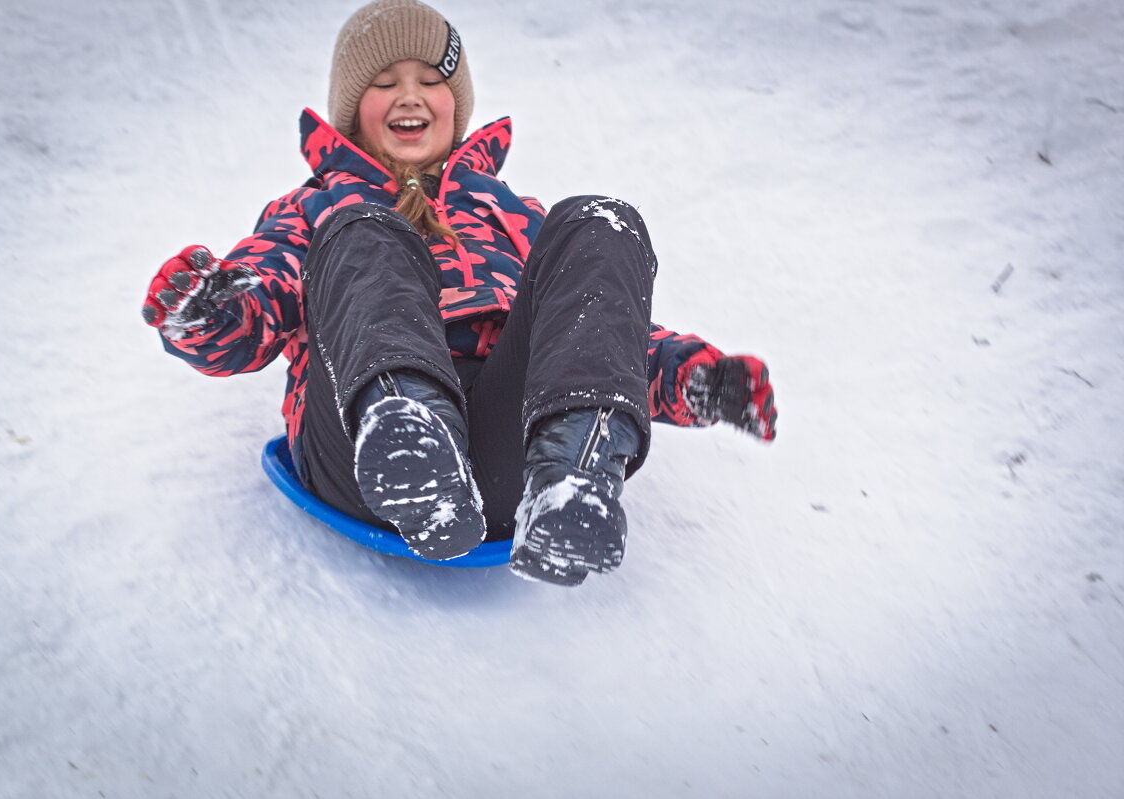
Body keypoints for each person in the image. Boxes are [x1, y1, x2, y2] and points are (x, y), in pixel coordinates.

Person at [141, 0, 777, 586]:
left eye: (430, 81)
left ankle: (572, 476)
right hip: (361, 452)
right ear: (351, 109)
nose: (408, 96)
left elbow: (585, 331)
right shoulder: (317, 208)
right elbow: (259, 305)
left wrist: (691, 377)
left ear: (456, 103)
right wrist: (209, 310)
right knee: (365, 228)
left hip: (504, 470)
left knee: (596, 222)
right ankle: (410, 429)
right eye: (384, 82)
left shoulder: (511, 212)